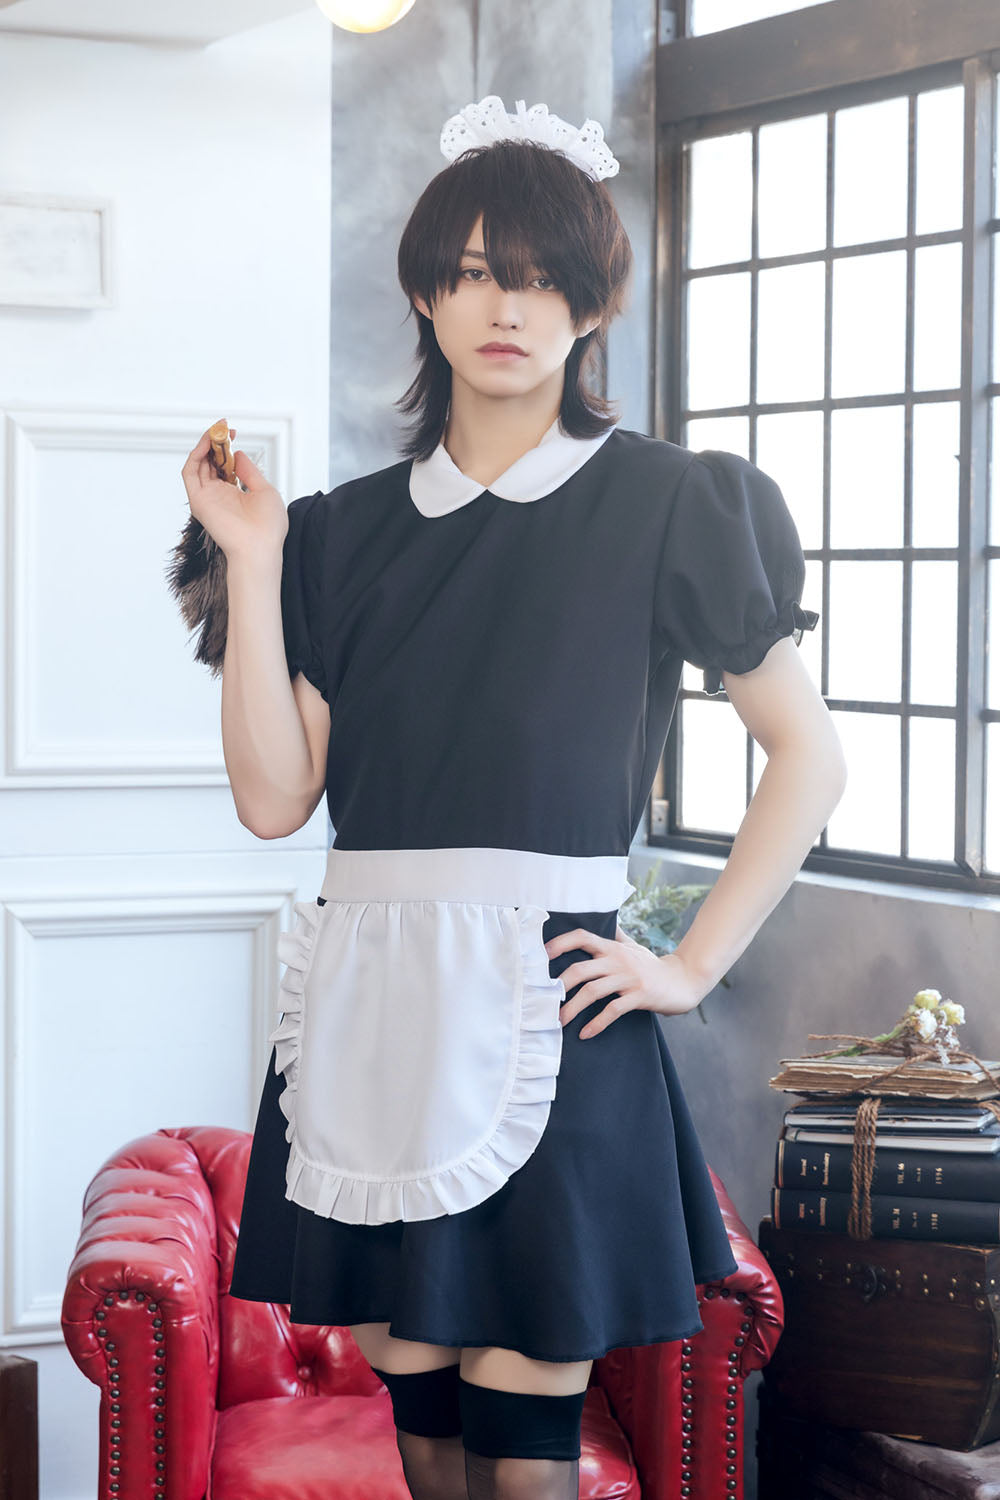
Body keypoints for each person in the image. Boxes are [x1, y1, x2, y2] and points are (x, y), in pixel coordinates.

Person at [179, 95, 846, 1500]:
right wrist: (252, 559)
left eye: (544, 278)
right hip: (370, 1002)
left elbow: (811, 755)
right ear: (428, 293)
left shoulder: (666, 503)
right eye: (477, 272)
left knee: (525, 1409)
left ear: (592, 306)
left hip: (556, 997)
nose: (507, 306)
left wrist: (686, 965)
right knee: (421, 1403)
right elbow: (275, 799)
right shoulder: (339, 534)